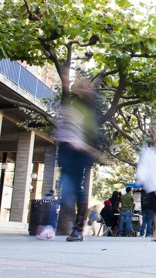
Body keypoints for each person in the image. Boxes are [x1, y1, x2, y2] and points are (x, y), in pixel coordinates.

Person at [54, 75, 101, 242]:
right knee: (66, 190)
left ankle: (78, 228)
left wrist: (84, 145)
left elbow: (92, 131)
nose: (81, 87)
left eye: (85, 85)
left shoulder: (90, 108)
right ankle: (75, 228)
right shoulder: (74, 104)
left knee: (75, 189)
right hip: (67, 151)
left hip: (81, 153)